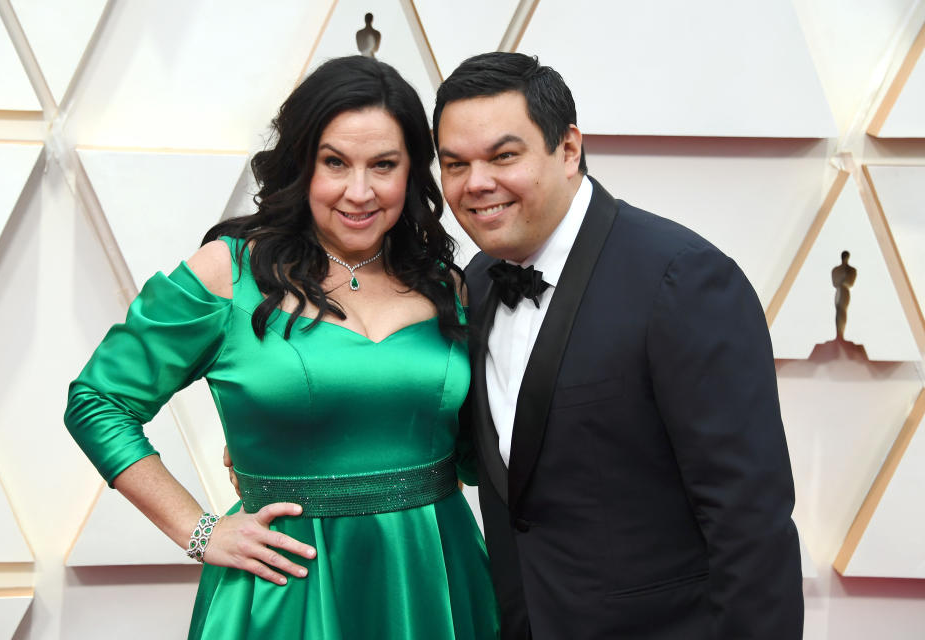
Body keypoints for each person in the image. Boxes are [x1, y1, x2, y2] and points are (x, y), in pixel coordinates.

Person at [64, 55, 499, 640]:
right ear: (301, 164)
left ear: (413, 173)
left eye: (384, 165)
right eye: (335, 163)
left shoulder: (448, 284)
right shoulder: (228, 272)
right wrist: (200, 530)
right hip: (287, 588)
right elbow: (98, 401)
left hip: (433, 578)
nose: (360, 191)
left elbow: (477, 449)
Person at [431, 52, 803, 639]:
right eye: (455, 164)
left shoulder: (683, 280)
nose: (477, 183)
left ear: (569, 149)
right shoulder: (472, 286)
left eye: (504, 156)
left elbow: (750, 523)